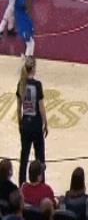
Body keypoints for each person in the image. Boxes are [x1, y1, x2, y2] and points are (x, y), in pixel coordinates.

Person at [16, 56, 48, 186]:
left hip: (25, 123)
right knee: (40, 157)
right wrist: (46, 123)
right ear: (33, 68)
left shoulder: (21, 84)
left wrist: (20, 123)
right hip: (36, 124)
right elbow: (41, 107)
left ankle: (21, 184)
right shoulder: (37, 85)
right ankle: (41, 184)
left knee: (24, 157)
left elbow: (18, 108)